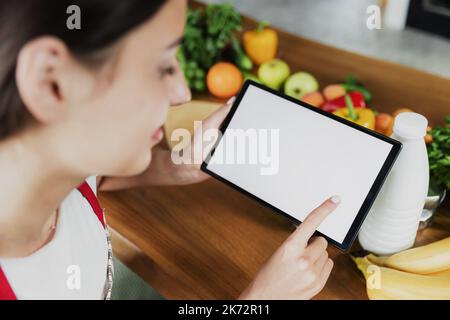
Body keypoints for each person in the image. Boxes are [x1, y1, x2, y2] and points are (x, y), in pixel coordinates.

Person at [0, 0, 337, 300]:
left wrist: (179, 166)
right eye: (162, 67)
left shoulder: (56, 166)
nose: (183, 93)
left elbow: (90, 181)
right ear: (50, 81)